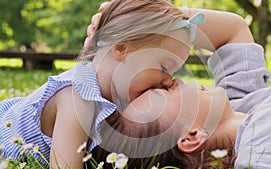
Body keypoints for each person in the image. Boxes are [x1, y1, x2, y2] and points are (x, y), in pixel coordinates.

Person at [0, 0, 207, 168]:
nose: (169, 80)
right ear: (121, 49)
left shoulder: (117, 95)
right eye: (164, 66)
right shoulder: (77, 99)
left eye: (174, 71)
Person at [90, 5, 271, 169]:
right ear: (192, 136)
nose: (173, 80)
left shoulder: (241, 104)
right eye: (164, 91)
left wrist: (158, 21)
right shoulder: (263, 153)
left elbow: (233, 31)